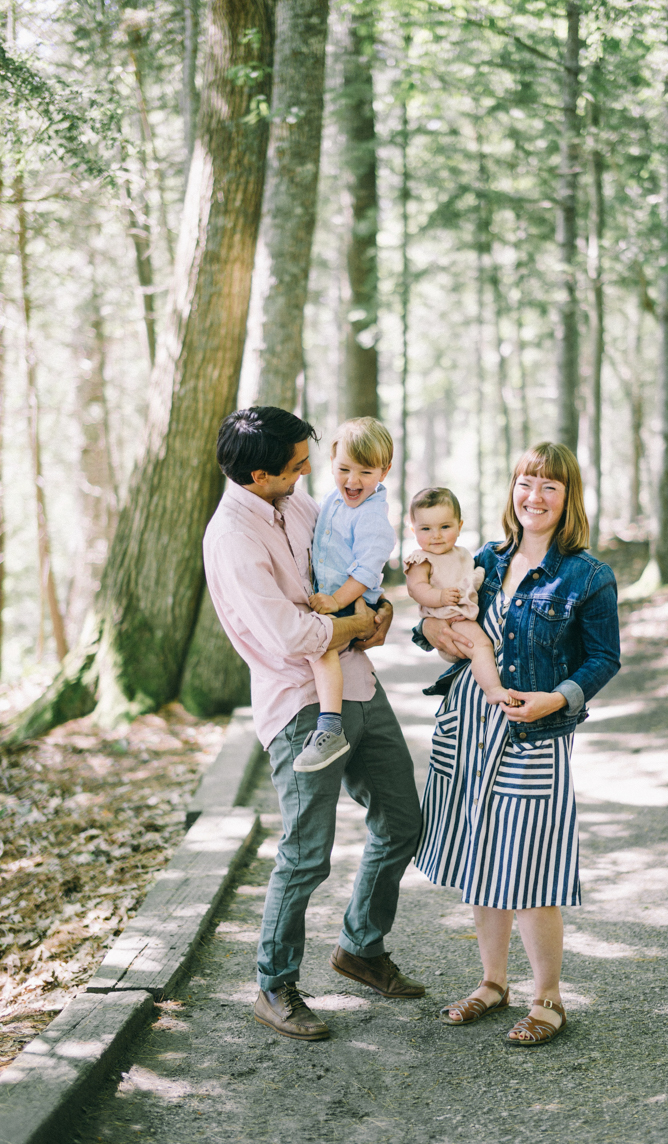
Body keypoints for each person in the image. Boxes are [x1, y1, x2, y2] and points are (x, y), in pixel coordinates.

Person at [203, 406, 424, 1043]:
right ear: (258, 475)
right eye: (299, 465)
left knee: (401, 818)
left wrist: (373, 617)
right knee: (305, 854)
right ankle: (274, 986)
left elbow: (351, 567)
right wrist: (357, 623)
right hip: (301, 704)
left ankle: (360, 946)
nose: (311, 473)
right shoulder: (234, 538)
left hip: (357, 683)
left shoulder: (297, 503)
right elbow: (294, 632)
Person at [414, 443, 620, 1046]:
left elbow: (604, 658)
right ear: (512, 488)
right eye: (526, 483)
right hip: (471, 726)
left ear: (568, 497)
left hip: (533, 730)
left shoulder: (587, 575)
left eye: (549, 487)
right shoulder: (482, 556)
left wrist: (555, 699)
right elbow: (431, 623)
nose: (534, 497)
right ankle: (492, 982)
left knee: (529, 863)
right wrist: (430, 627)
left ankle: (548, 996)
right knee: (486, 856)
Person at [294, 417, 396, 774]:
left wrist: (337, 601)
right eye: (344, 469)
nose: (353, 481)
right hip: (334, 594)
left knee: (322, 648)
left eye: (366, 472)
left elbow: (366, 571)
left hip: (353, 598)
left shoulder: (372, 518)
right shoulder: (332, 500)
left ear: (384, 471)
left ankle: (331, 728)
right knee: (322, 649)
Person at [403, 486, 519, 706]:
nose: (436, 535)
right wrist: (440, 597)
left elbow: (465, 581)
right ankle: (493, 689)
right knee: (482, 647)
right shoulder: (421, 559)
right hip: (452, 619)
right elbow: (416, 589)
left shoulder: (462, 553)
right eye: (426, 528)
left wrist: (475, 577)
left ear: (459, 526)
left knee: (484, 647)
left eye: (444, 526)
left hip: (463, 614)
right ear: (413, 530)